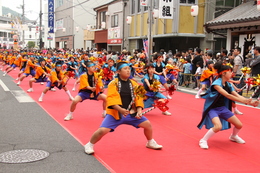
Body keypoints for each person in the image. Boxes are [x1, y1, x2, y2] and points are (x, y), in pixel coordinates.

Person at [84, 62, 162, 155]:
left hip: (131, 113)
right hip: (116, 113)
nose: (128, 70)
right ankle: (89, 144)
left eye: (129, 68)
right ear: (118, 71)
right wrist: (120, 110)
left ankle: (150, 142)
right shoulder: (113, 83)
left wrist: (139, 110)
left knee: (147, 125)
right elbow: (112, 98)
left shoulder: (133, 83)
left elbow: (139, 97)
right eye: (125, 69)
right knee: (102, 130)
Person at [197, 61, 259, 149]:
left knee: (239, 125)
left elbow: (236, 95)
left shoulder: (228, 84)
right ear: (223, 73)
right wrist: (246, 102)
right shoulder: (216, 84)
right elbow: (228, 95)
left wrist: (249, 102)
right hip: (213, 109)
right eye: (230, 72)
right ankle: (203, 140)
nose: (232, 73)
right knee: (218, 126)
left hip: (222, 108)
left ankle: (233, 136)